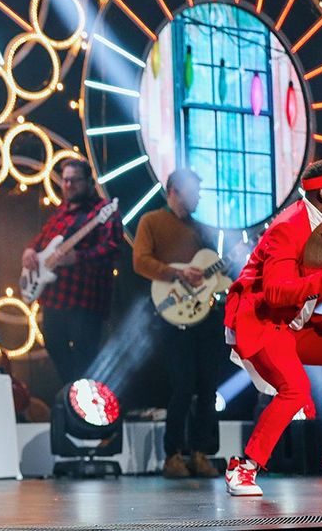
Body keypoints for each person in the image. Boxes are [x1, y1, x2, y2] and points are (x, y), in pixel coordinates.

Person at [222, 159, 322, 497]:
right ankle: (244, 467)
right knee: (294, 389)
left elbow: (316, 286)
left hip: (291, 322)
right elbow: (275, 291)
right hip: (262, 321)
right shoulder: (290, 226)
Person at [132, 169, 223, 479]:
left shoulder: (201, 229)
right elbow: (140, 261)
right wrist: (178, 273)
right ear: (175, 191)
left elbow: (214, 271)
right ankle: (173, 454)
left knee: (208, 385)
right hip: (172, 314)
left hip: (205, 313)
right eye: (194, 191)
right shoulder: (152, 221)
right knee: (183, 385)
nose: (198, 197)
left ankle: (200, 453)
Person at [21, 159, 122, 386]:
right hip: (54, 299)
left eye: (74, 180)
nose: (68, 185)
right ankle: (71, 390)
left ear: (88, 182)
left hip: (86, 300)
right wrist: (29, 250)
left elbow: (112, 249)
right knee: (54, 345)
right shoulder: (61, 212)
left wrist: (77, 257)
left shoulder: (103, 211)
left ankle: (80, 399)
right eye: (65, 180)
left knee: (85, 357)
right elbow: (42, 240)